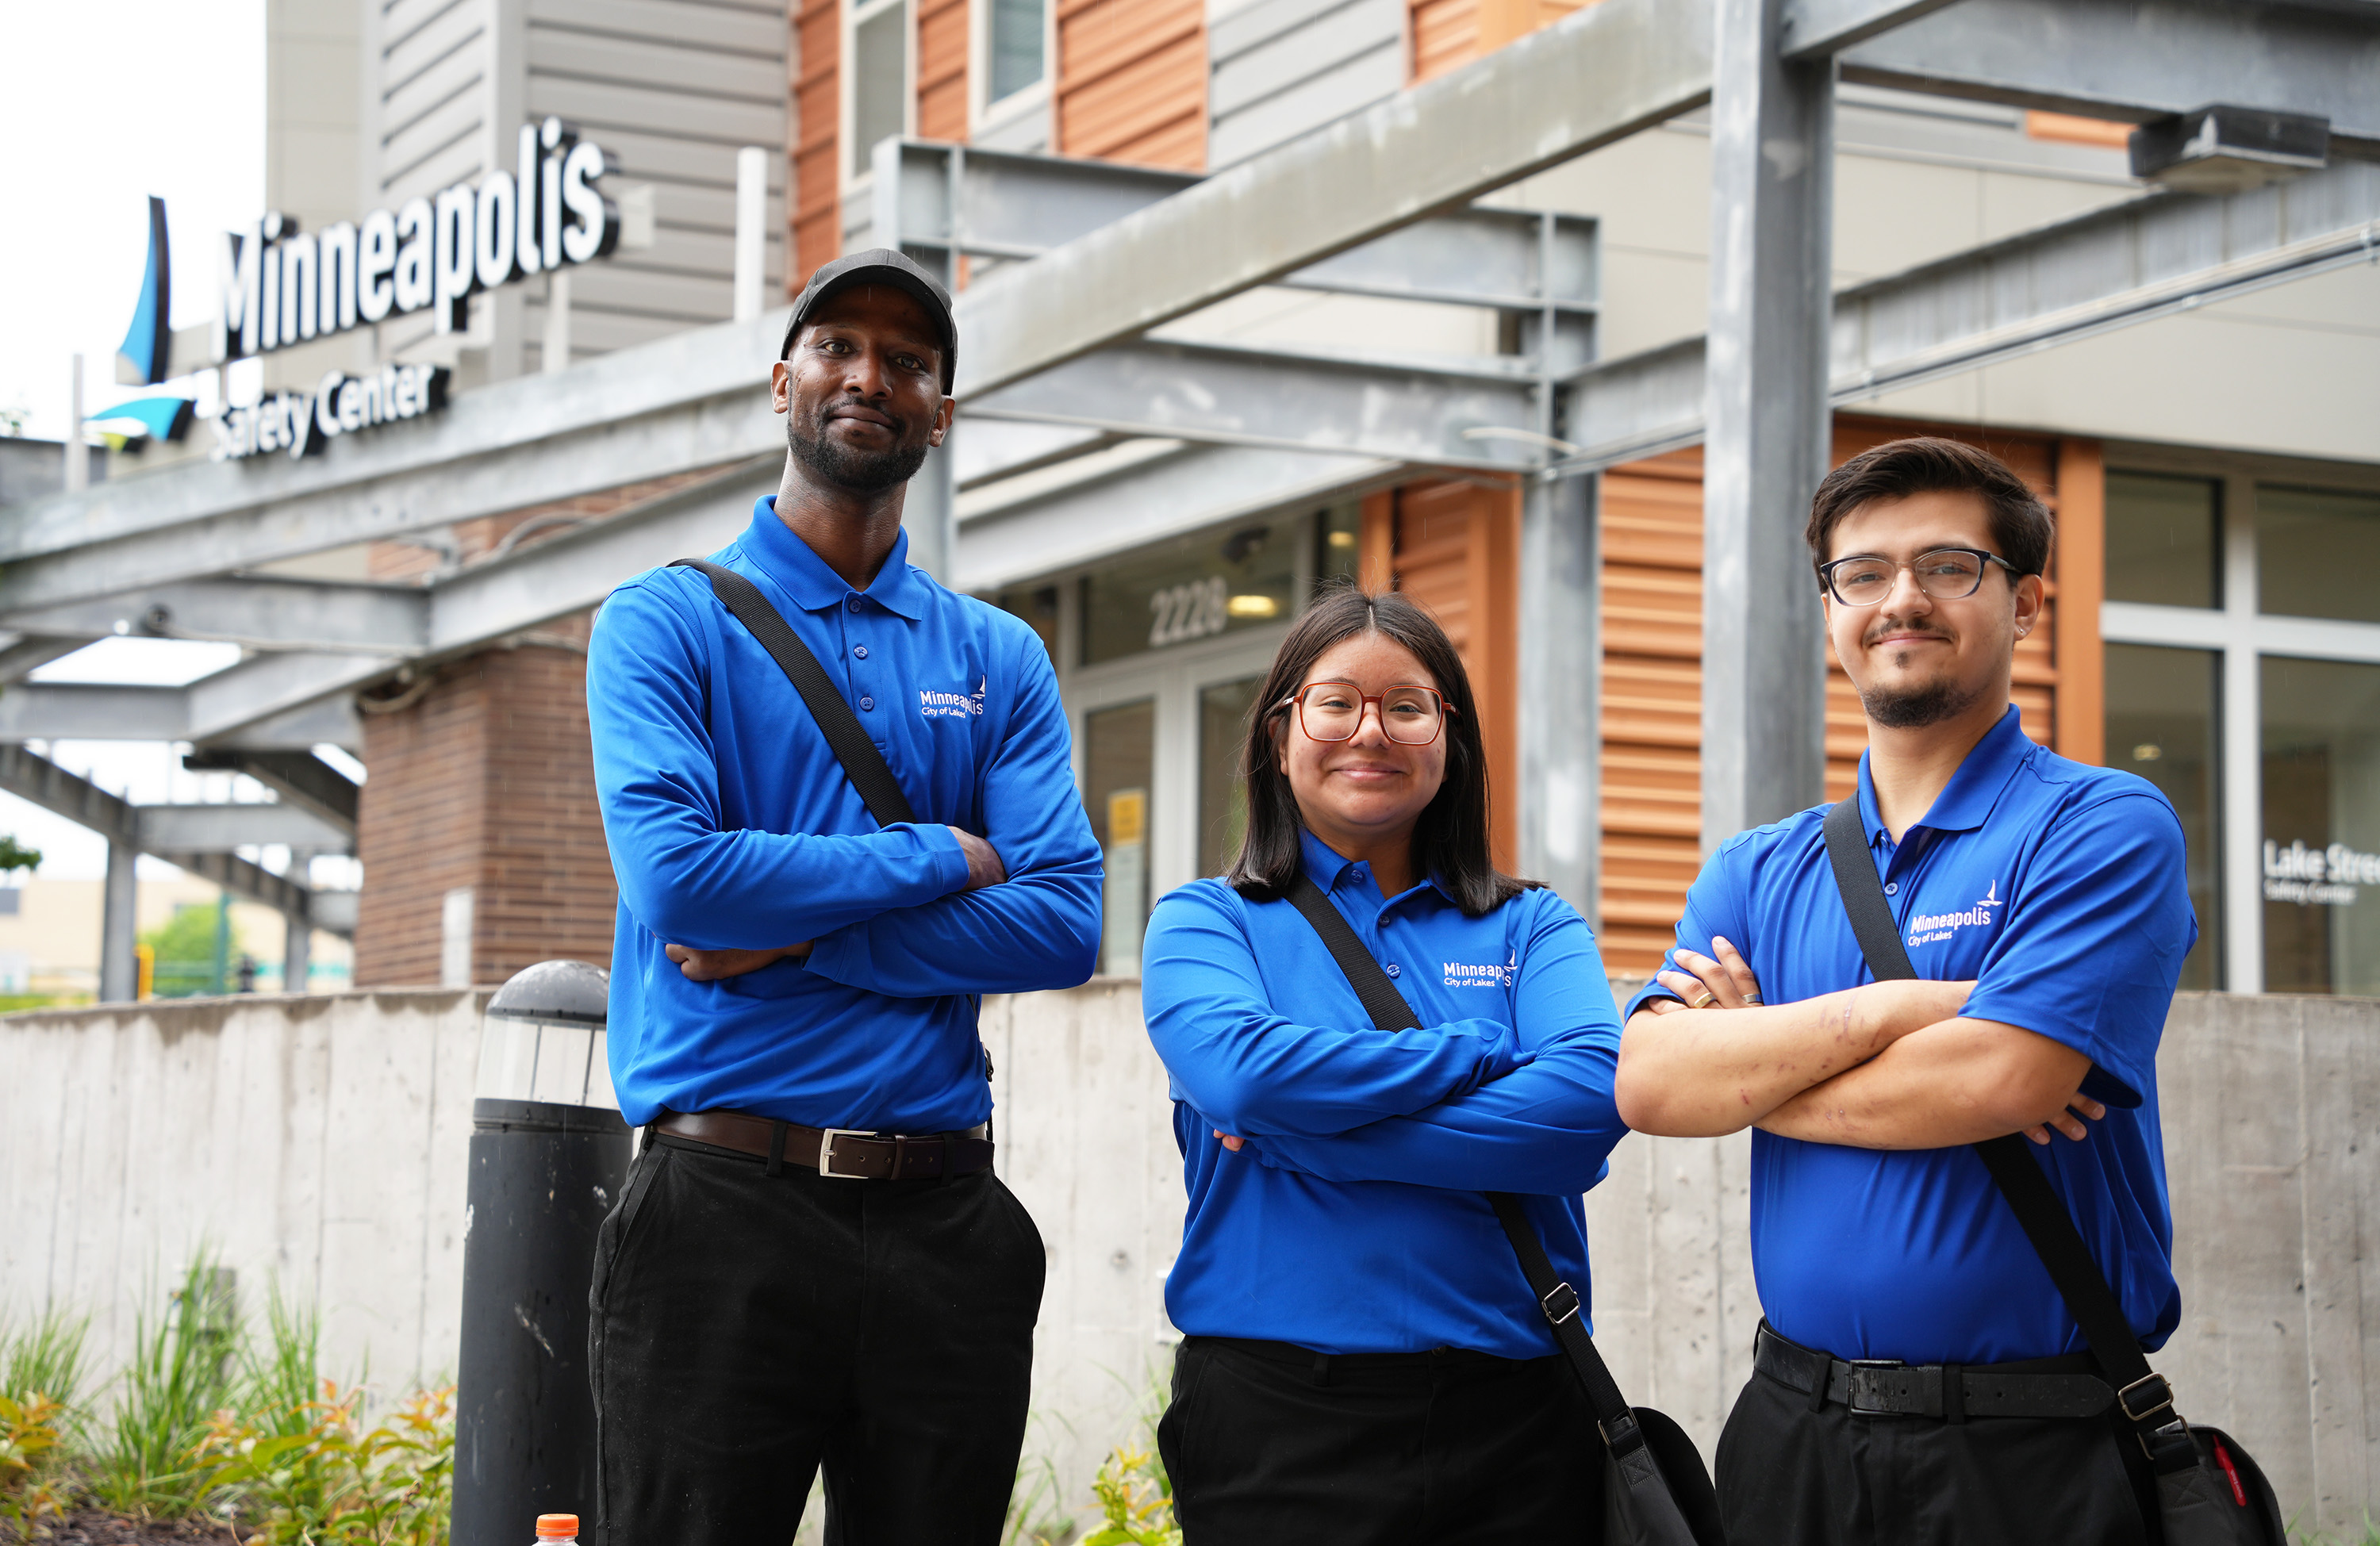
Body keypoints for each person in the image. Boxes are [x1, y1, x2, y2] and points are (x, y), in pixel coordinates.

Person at [582, 248, 1103, 1545]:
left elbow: (1064, 919)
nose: (871, 373)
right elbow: (680, 882)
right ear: (782, 380)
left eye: (910, 360)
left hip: (944, 1217)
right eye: (838, 346)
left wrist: (791, 928)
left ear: (941, 408)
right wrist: (939, 851)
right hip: (718, 1213)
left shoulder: (999, 653)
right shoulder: (664, 622)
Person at [1614, 437, 2196, 1545]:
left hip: (2028, 1449)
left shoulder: (2101, 826)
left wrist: (1755, 1070)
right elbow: (1648, 1082)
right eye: (1864, 573)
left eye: (1948, 565)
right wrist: (1906, 1011)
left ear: (2024, 602)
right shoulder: (1758, 866)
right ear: (1832, 608)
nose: (1902, 599)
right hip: (1791, 1434)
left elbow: (2004, 1073)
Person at [1140, 585, 1628, 1544]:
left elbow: (1583, 1108)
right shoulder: (1209, 920)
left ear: (1451, 735)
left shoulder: (1534, 924)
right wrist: (1478, 1049)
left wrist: (1309, 1141)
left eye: (1406, 705)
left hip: (1518, 1423)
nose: (1371, 731)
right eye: (1336, 702)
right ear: (1281, 733)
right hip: (1276, 1421)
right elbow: (1244, 1077)